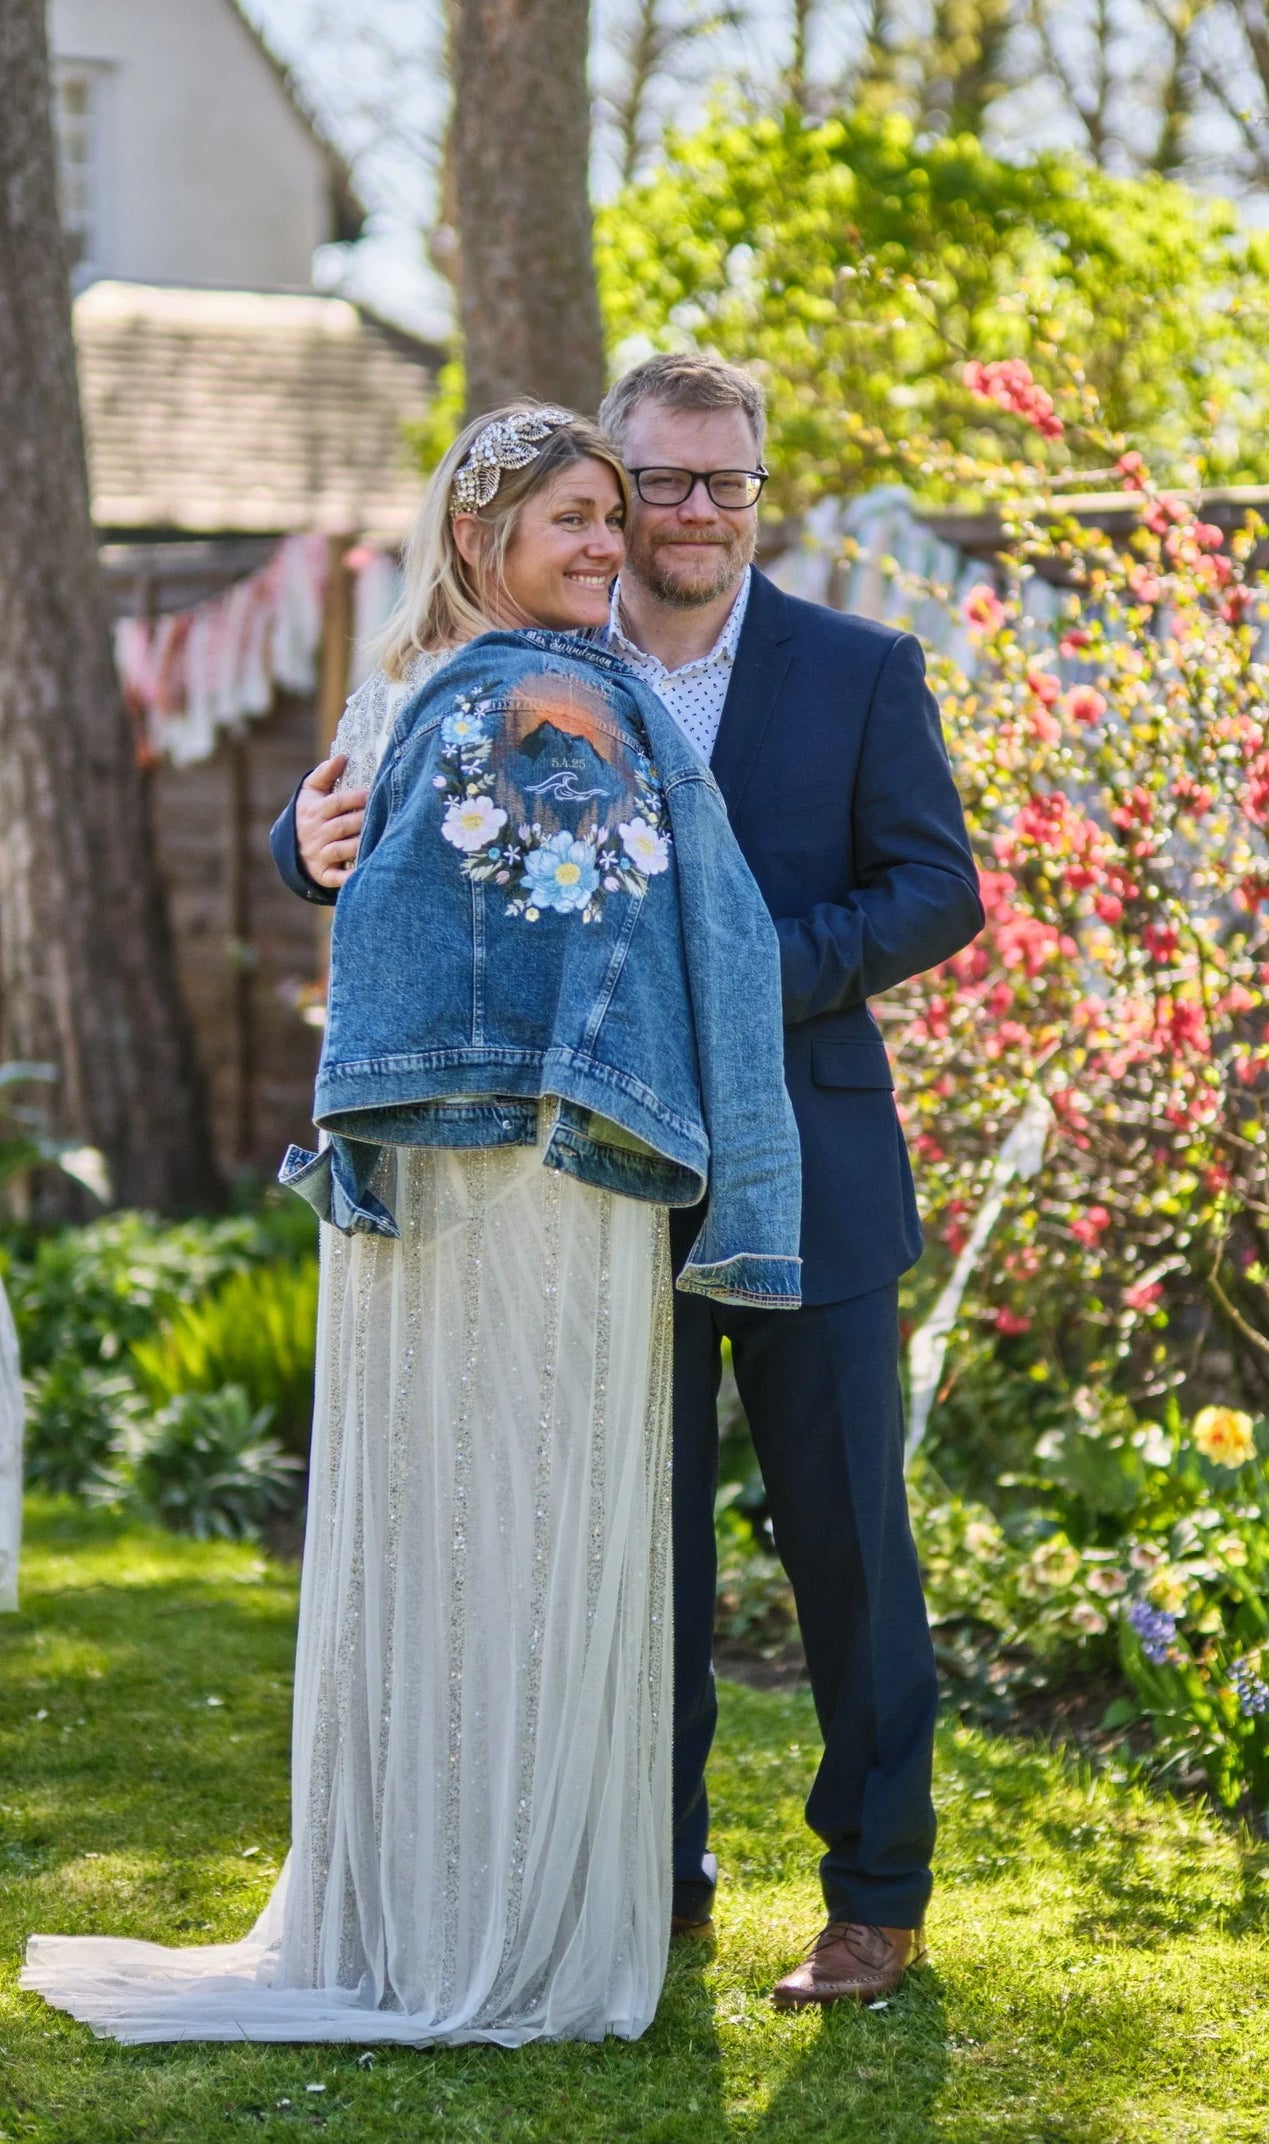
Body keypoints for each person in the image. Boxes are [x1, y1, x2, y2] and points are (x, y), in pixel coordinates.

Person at [21, 403, 800, 2047]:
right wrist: (308, 855)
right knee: (450, 1516)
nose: (608, 543)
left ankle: (512, 1897)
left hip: (542, 1169)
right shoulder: (443, 692)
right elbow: (379, 873)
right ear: (476, 534)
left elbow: (549, 910)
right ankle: (447, 1912)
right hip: (486, 1173)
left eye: (613, 517)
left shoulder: (585, 691)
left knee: (535, 1516)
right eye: (574, 517)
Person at [275, 356, 983, 2009]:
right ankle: (646, 1884)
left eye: (723, 482)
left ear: (757, 493)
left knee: (848, 1553)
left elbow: (934, 890)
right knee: (623, 1554)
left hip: (809, 1171)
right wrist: (295, 849)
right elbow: (408, 852)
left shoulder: (857, 670)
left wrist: (723, 983)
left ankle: (874, 1898)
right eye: (656, 482)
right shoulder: (534, 664)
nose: (686, 514)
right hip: (592, 1199)